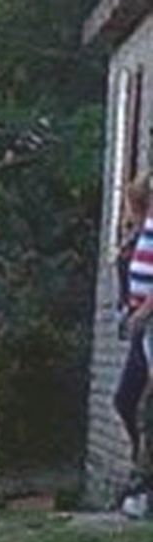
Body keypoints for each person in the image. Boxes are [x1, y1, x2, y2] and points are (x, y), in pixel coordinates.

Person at [116, 172, 153, 480]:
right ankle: (140, 460)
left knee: (144, 400)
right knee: (125, 398)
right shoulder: (139, 234)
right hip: (139, 327)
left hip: (147, 321)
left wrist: (144, 311)